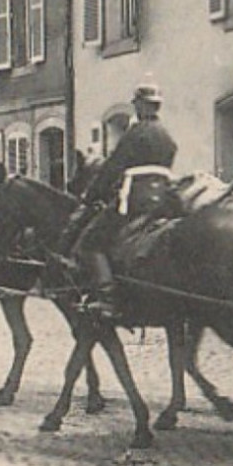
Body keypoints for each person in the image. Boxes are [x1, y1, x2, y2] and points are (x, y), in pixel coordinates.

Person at [70, 82, 178, 319]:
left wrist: (91, 196)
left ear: (140, 105)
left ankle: (106, 299)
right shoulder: (167, 136)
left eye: (137, 104)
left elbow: (112, 167)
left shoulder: (135, 133)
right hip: (164, 198)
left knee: (90, 242)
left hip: (135, 197)